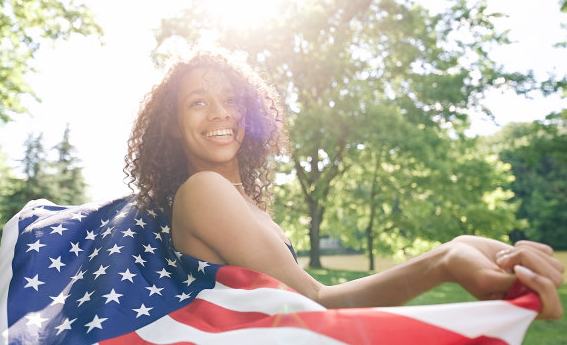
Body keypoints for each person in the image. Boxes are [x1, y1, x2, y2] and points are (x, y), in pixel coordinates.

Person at [124, 48, 564, 320]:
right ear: (174, 127)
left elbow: (304, 303)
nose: (220, 112)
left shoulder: (248, 206)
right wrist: (443, 261)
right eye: (198, 102)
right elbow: (315, 300)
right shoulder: (203, 189)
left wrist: (465, 242)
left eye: (231, 99)